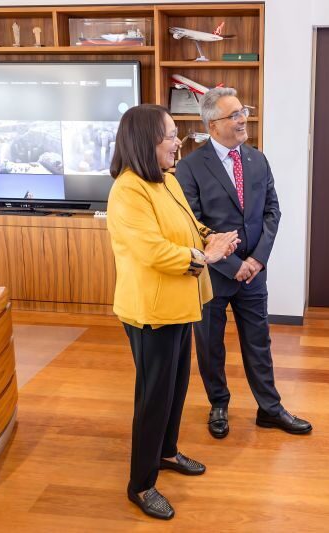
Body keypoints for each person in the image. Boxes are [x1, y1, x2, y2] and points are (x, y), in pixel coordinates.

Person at [107, 104, 240, 519]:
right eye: (169, 135)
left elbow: (188, 224)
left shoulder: (165, 180)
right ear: (145, 140)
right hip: (152, 311)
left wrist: (211, 236)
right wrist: (207, 255)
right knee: (153, 397)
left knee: (176, 387)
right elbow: (154, 251)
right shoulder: (128, 190)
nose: (177, 142)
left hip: (181, 304)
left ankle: (166, 452)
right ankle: (141, 484)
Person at [176, 88, 312, 438]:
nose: (243, 119)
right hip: (214, 274)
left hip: (253, 273)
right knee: (210, 343)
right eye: (234, 115)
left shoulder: (257, 160)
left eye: (243, 112)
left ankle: (270, 409)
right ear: (212, 124)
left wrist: (256, 260)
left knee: (258, 341)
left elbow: (272, 211)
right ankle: (218, 404)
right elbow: (192, 224)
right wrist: (232, 264)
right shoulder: (190, 167)